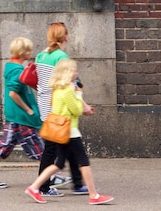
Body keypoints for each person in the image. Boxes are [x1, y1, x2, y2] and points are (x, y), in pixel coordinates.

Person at [25, 59, 114, 205]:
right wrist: (78, 94)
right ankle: (93, 195)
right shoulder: (68, 90)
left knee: (58, 164)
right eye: (74, 70)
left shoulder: (57, 89)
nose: (76, 73)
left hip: (60, 132)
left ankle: (35, 187)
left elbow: (59, 107)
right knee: (84, 162)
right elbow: (76, 110)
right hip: (70, 132)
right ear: (67, 73)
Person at [0, 37, 44, 189]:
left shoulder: (11, 68)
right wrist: (28, 109)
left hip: (14, 115)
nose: (31, 52)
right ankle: (50, 176)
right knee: (37, 146)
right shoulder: (18, 71)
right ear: (22, 53)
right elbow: (13, 93)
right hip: (22, 116)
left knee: (5, 144)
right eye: (28, 50)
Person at [34, 22, 86, 196]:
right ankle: (43, 187)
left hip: (44, 104)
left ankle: (77, 183)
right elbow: (68, 82)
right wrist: (83, 103)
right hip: (58, 106)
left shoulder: (40, 55)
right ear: (65, 37)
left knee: (67, 143)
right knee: (52, 148)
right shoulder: (61, 56)